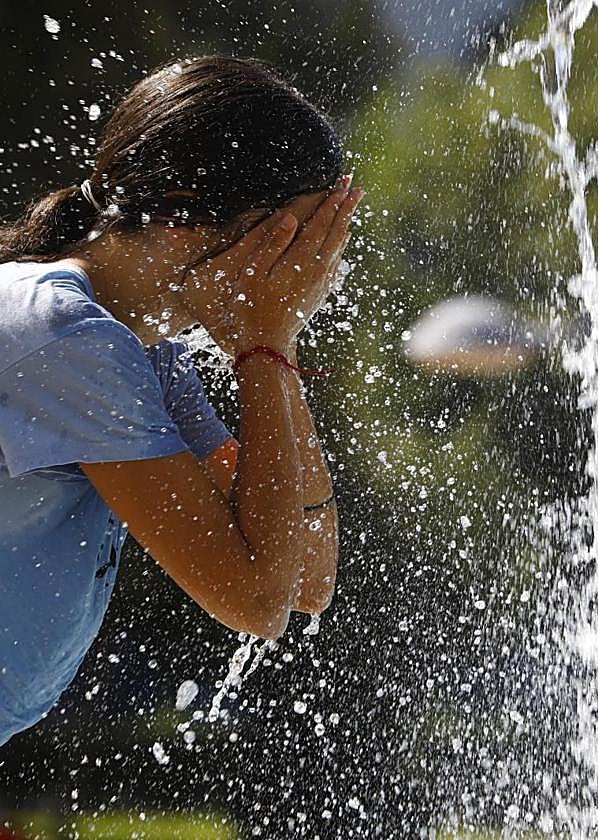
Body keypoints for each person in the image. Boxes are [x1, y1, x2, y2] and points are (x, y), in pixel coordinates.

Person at [0, 56, 363, 746]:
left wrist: (270, 345)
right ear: (183, 214)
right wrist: (266, 340)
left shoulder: (143, 351)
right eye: (290, 241)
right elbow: (254, 599)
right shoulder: (64, 335)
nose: (313, 274)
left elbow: (305, 579)